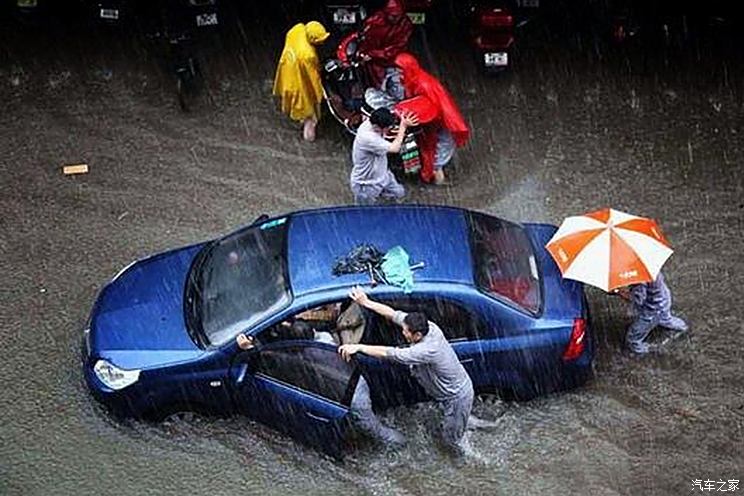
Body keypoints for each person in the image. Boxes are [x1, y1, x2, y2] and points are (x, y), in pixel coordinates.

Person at [338, 286, 474, 455]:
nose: (402, 331)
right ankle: (466, 422)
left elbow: (389, 353)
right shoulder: (428, 327)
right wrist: (365, 302)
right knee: (458, 420)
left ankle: (474, 462)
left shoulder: (426, 350)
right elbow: (392, 313)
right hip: (452, 392)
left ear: (417, 335)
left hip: (456, 397)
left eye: (405, 331)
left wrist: (358, 347)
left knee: (452, 441)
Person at [394, 52, 470, 185]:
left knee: (437, 150)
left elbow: (435, 106)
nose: (398, 73)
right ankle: (435, 176)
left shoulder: (423, 85)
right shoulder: (413, 79)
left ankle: (435, 175)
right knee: (436, 150)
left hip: (438, 122)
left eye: (400, 70)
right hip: (433, 122)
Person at [272, 21, 330, 142]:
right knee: (311, 115)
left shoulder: (297, 29)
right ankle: (309, 137)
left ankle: (301, 119)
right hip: (299, 84)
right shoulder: (308, 55)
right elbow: (313, 77)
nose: (322, 42)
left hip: (287, 73)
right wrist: (321, 94)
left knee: (297, 106)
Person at [350, 107, 418, 204]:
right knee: (365, 211)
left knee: (399, 193)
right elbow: (395, 148)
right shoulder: (368, 138)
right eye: (388, 128)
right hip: (366, 184)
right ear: (378, 127)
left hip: (384, 175)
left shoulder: (373, 121)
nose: (390, 129)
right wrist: (403, 127)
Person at [622, 272, 688, 354]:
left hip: (652, 309)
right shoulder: (649, 268)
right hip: (663, 298)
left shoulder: (639, 280)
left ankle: (640, 349)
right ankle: (681, 326)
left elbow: (639, 300)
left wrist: (622, 293)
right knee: (664, 317)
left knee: (633, 337)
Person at [357, 0, 414, 88]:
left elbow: (397, 47)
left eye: (398, 15)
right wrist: (364, 53)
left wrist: (373, 53)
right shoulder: (374, 21)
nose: (396, 18)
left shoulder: (405, 24)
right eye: (393, 16)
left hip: (391, 60)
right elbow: (364, 38)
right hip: (373, 60)